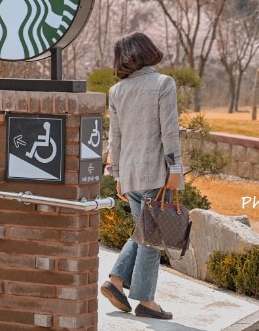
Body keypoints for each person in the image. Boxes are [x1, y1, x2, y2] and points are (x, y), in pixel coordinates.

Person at [100, 32, 184, 320]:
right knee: (150, 238)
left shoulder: (116, 91)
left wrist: (119, 176)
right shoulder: (163, 83)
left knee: (143, 233)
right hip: (157, 174)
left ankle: (116, 281)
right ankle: (146, 302)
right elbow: (169, 131)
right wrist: (175, 169)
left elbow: (115, 138)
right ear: (149, 51)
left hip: (131, 176)